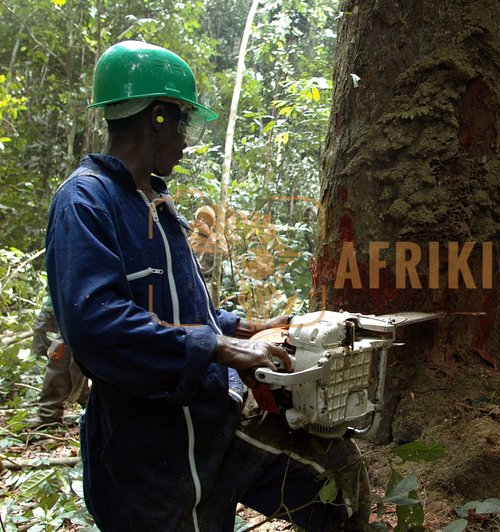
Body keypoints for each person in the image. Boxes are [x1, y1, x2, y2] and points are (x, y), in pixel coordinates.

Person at [45, 40, 368, 531]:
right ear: (157, 118)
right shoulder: (86, 202)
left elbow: (180, 310)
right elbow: (97, 326)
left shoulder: (154, 201)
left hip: (211, 419)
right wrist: (220, 349)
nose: (186, 142)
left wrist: (247, 328)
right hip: (151, 452)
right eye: (183, 125)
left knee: (336, 478)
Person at [25, 298, 90, 428]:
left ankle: (49, 413)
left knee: (62, 352)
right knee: (65, 355)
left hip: (82, 302)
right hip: (61, 302)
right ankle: (89, 406)